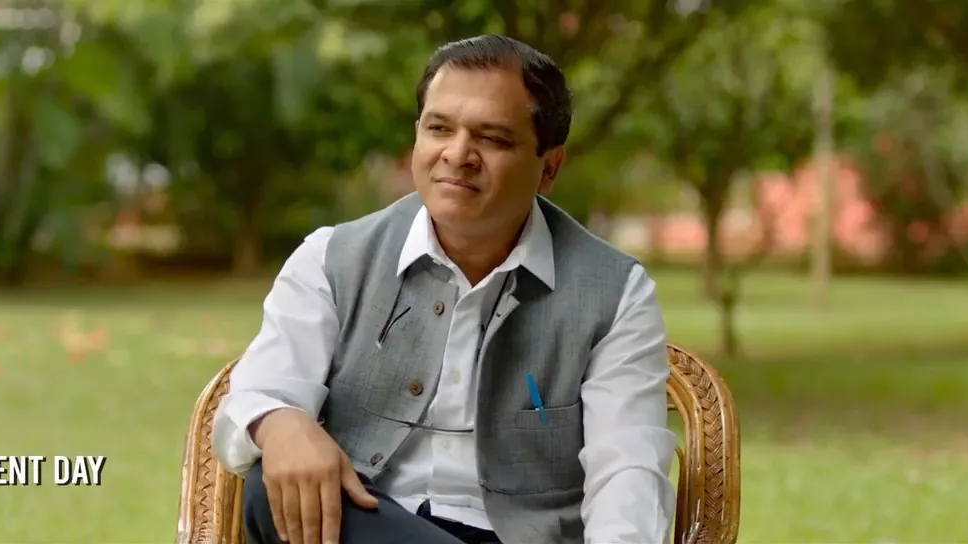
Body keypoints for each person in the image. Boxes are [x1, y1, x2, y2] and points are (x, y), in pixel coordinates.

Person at [212, 34, 677, 544]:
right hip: (367, 522)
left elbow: (628, 472)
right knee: (270, 485)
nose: (458, 155)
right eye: (439, 128)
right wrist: (281, 424)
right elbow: (254, 399)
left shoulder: (616, 292)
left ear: (549, 167)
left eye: (493, 138)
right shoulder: (332, 259)